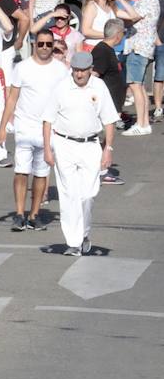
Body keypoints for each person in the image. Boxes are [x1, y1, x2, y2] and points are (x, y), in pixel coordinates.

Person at [42, 52, 118, 257]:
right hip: (64, 144)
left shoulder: (99, 87)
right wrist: (48, 149)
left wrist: (108, 150)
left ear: (90, 69)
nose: (79, 74)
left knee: (88, 195)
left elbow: (109, 120)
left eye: (83, 70)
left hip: (90, 145)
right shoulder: (61, 87)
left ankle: (84, 234)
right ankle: (73, 242)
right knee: (68, 195)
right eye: (76, 70)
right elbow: (47, 120)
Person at [0, 28, 69, 231]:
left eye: (49, 44)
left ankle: (34, 214)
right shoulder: (22, 68)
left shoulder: (61, 70)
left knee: (41, 173)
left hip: (50, 129)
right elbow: (12, 98)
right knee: (21, 171)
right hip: (25, 126)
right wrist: (2, 127)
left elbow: (66, 98)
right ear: (34, 45)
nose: (45, 48)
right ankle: (19, 213)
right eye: (41, 44)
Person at [118, 0, 156, 134]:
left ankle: (141, 124)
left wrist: (114, 3)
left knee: (135, 86)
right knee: (139, 86)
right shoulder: (144, 0)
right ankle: (144, 122)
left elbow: (131, 17)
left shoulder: (149, 1)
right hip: (138, 47)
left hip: (138, 48)